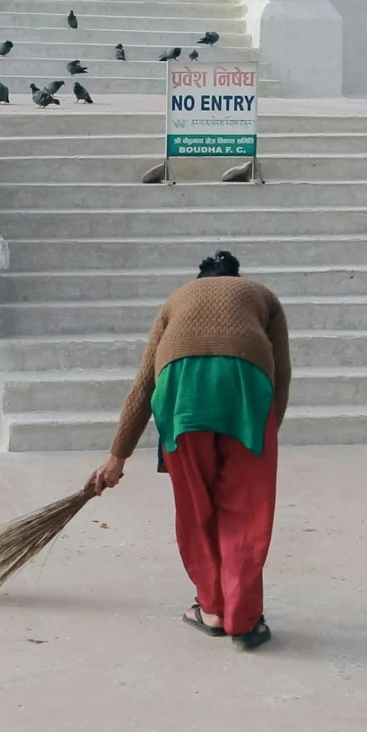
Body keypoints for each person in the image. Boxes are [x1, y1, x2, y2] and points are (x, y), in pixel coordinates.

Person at [87, 251, 291, 649]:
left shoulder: (176, 300)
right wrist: (267, 434)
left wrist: (118, 456)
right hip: (246, 389)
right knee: (246, 509)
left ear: (200, 281)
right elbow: (281, 374)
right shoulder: (263, 297)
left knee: (197, 505)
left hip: (181, 391)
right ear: (237, 277)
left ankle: (212, 609)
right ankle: (244, 622)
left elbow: (145, 381)